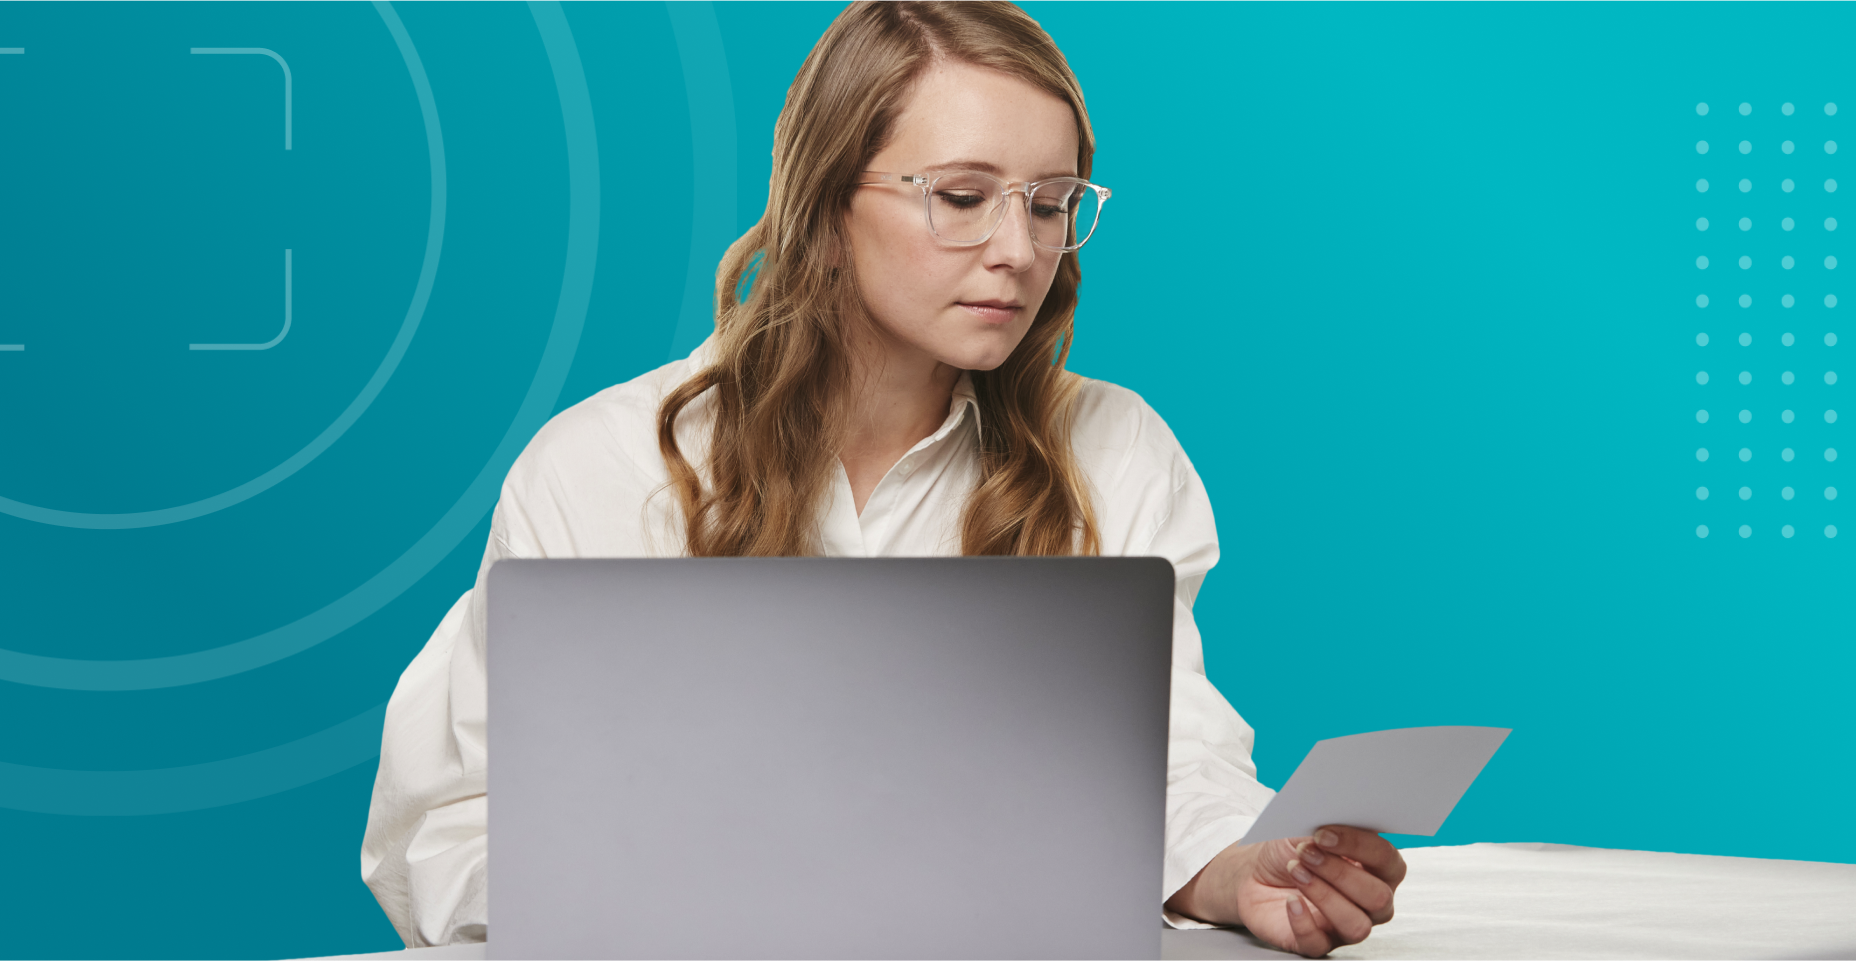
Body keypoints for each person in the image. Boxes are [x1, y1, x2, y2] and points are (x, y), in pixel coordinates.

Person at [360, 0, 1405, 956]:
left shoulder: (1113, 450)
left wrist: (1237, 871)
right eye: (961, 196)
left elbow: (1162, 757)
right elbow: (451, 823)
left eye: (1049, 203)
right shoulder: (601, 465)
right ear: (825, 203)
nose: (1017, 249)